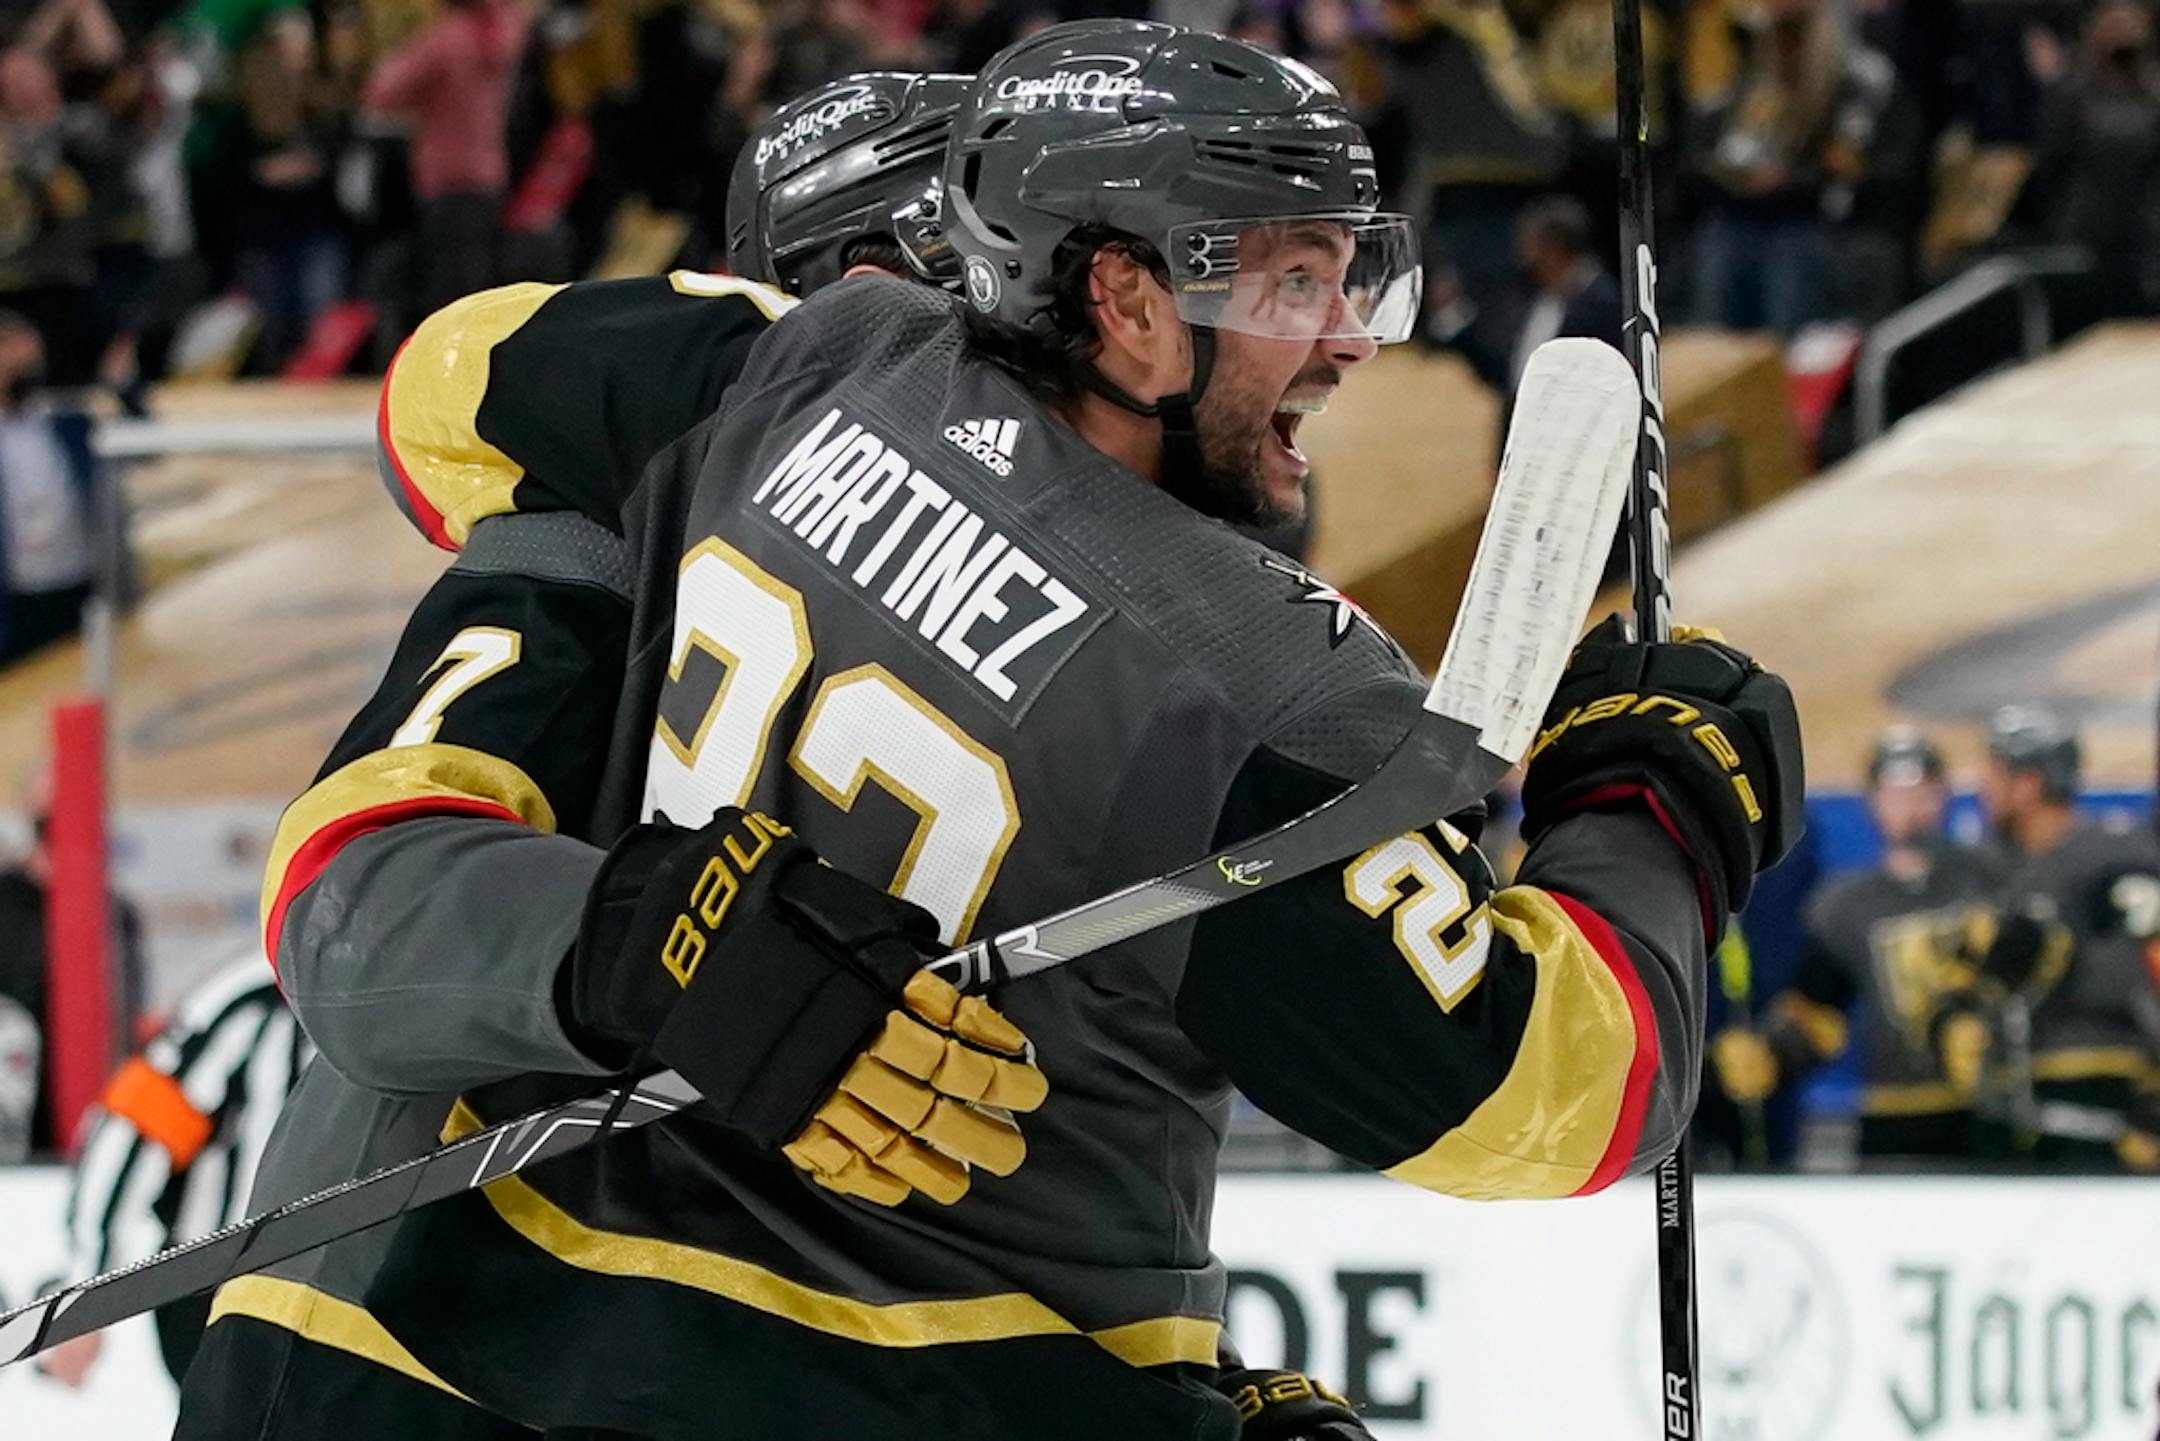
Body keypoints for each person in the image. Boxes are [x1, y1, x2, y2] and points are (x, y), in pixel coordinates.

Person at [179, 23, 1801, 1440]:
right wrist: (1650, 806)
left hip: (381, 1350)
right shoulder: (1260, 686)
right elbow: (1562, 1081)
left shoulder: (713, 397)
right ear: (1112, 298)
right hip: (515, 1361)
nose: (1350, 334)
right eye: (1296, 279)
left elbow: (442, 389)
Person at [1710, 726, 2001, 1164]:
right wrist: (1773, 1054)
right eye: (1895, 793)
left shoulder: (1986, 883)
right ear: (1873, 801)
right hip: (1891, 1113)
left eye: (1921, 792)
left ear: (1943, 797)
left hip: (1990, 1111)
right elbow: (1819, 1009)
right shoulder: (1844, 906)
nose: (1910, 807)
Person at [34, 954, 311, 1389]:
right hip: (229, 1294)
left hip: (375, 1292)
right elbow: (134, 1129)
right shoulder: (258, 998)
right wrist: (86, 1298)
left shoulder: (416, 991)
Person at [1948, 707, 2160, 1170]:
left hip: (2105, 1102)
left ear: (2028, 784)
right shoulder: (1998, 869)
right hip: (2015, 1107)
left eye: (1994, 771)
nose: (1982, 785)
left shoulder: (2112, 862)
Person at [0, 761, 144, 1155]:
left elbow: (128, 1017)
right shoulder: (5, 900)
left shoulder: (115, 914)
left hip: (91, 1121)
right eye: (46, 801)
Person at [361, 0, 531, 318]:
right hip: (489, 172)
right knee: (481, 284)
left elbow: (382, 91)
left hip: (445, 176)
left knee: (449, 294)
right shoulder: (506, 33)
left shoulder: (445, 41)